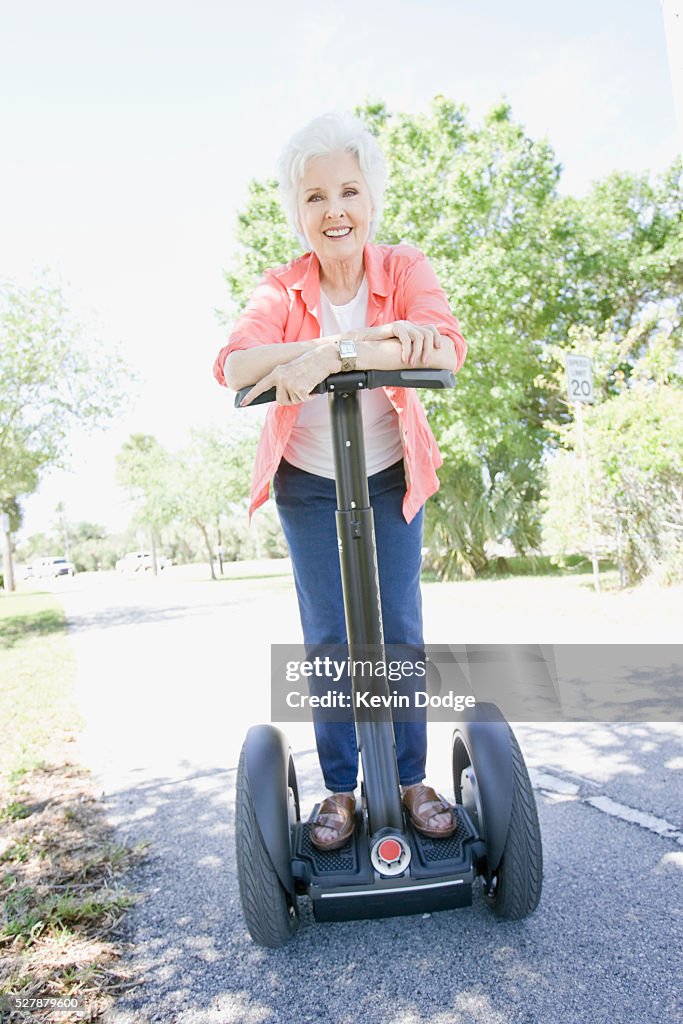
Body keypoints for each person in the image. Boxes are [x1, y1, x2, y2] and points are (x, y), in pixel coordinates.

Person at [214, 112, 467, 852]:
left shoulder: (404, 268)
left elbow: (445, 347)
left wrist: (319, 359)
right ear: (297, 211)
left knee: (399, 633)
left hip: (389, 475)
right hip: (308, 481)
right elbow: (235, 365)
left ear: (371, 201)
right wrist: (350, 345)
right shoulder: (280, 286)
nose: (334, 210)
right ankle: (338, 789)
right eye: (315, 197)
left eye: (348, 191)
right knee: (328, 639)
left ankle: (414, 778)